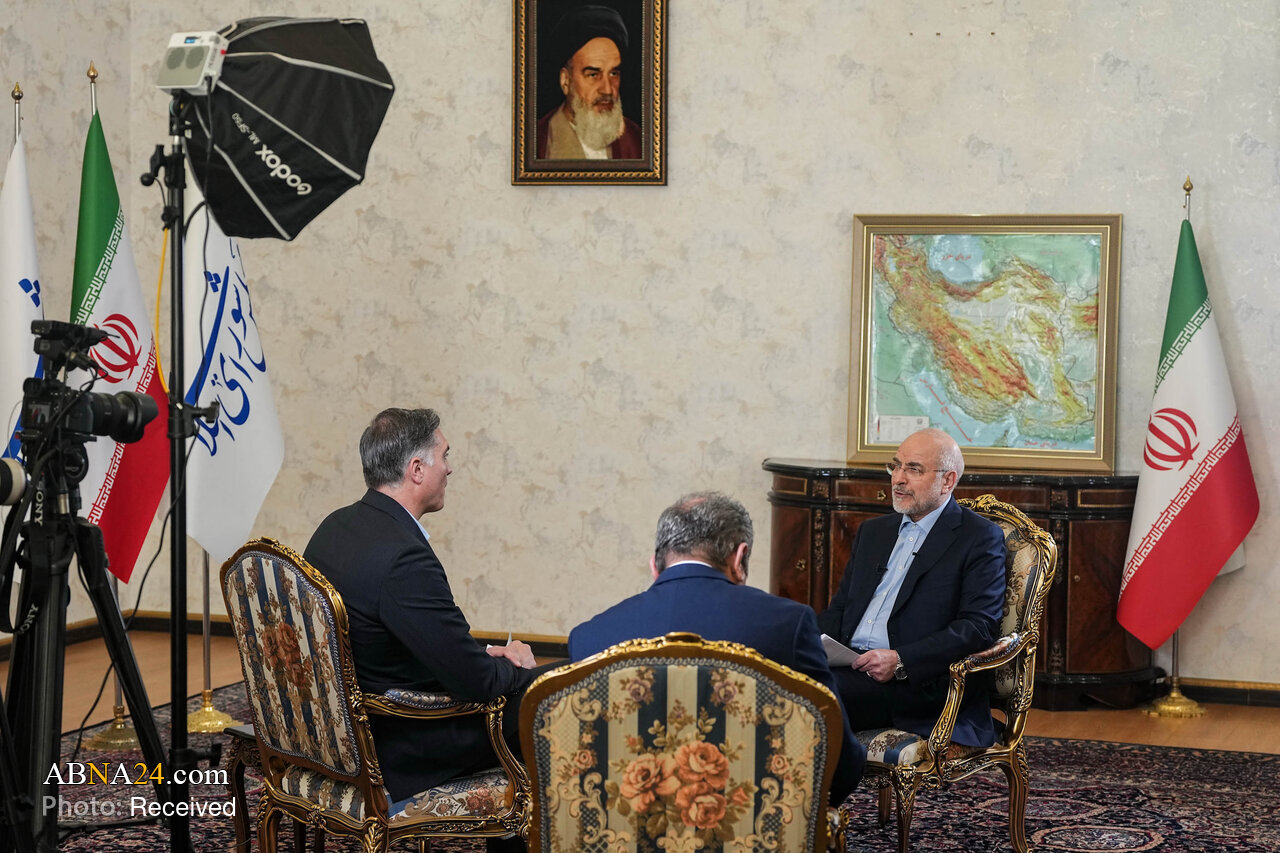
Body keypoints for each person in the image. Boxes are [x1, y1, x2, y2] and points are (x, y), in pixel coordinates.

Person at [303, 408, 544, 832]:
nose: (450, 468)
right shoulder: (403, 557)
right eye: (445, 455)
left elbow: (399, 636)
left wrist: (484, 654)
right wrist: (515, 666)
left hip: (339, 734)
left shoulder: (336, 526)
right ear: (416, 469)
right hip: (402, 744)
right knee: (552, 693)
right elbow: (477, 684)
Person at [569, 492, 866, 803]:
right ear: (739, 558)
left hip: (624, 819)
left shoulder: (589, 638)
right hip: (754, 817)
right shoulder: (789, 624)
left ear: (655, 566)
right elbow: (838, 757)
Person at [817, 428, 1007, 747]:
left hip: (917, 684)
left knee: (812, 695)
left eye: (913, 469)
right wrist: (808, 645)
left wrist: (901, 660)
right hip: (851, 666)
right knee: (771, 676)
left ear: (947, 481)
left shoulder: (978, 538)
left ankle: (825, 779)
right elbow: (840, 609)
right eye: (896, 466)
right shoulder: (873, 532)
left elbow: (977, 627)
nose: (898, 479)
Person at [536, 3, 642, 160]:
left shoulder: (637, 139)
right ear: (565, 81)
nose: (607, 89)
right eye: (593, 75)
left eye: (613, 74)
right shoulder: (536, 143)